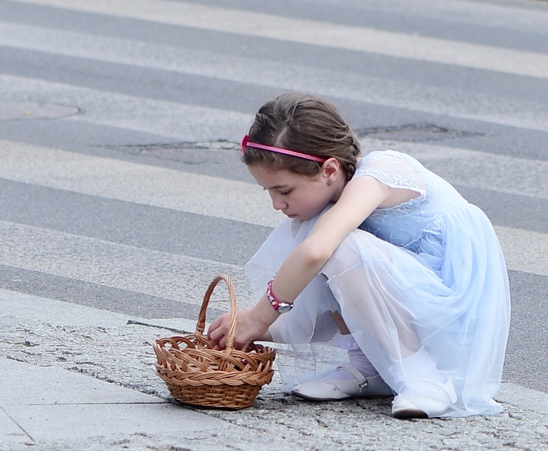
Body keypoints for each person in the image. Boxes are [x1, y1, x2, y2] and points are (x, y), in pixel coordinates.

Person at [207, 93, 511, 419]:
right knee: (318, 232)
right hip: (412, 299)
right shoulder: (330, 203)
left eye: (284, 190)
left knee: (334, 244)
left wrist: (258, 317)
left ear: (329, 170)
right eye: (268, 191)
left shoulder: (379, 174)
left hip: (450, 309)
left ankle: (424, 376)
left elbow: (317, 252)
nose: (276, 204)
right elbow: (319, 286)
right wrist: (252, 324)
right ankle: (370, 367)